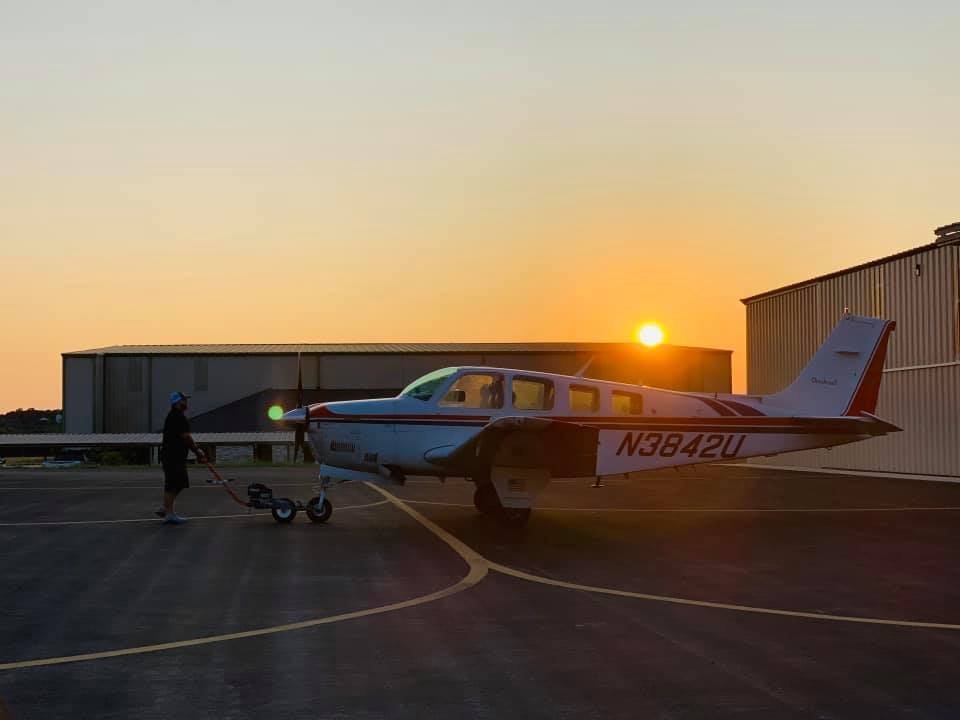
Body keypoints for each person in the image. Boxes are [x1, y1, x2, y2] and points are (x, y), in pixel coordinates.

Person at [155, 391, 206, 525]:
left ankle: (165, 508)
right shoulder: (177, 417)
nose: (186, 402)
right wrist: (197, 451)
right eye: (184, 400)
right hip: (172, 456)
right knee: (172, 484)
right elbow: (186, 437)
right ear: (177, 402)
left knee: (180, 483)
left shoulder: (175, 416)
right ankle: (169, 514)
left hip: (174, 456)